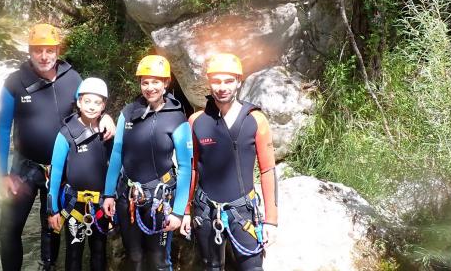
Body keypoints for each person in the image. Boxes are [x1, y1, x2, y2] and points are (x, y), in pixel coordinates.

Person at [0, 23, 115, 271]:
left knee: (52, 227)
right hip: (25, 168)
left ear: (57, 50)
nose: (44, 56)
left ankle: (47, 267)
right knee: (8, 229)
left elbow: (90, 105)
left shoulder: (71, 78)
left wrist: (107, 117)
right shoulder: (15, 82)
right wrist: (2, 173)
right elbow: (3, 128)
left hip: (61, 170)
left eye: (49, 50)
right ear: (29, 51)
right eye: (38, 50)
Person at [180, 53, 279, 271]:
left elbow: (268, 170)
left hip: (242, 210)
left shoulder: (255, 119)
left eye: (228, 81)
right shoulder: (196, 121)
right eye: (216, 81)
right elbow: (192, 168)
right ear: (209, 83)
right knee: (210, 267)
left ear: (238, 82)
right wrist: (186, 211)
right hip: (205, 211)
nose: (222, 86)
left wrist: (271, 220)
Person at [101, 55, 193, 271]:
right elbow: (116, 153)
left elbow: (185, 166)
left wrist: (179, 211)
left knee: (160, 260)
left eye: (155, 81)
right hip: (128, 196)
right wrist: (108, 194)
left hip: (160, 199)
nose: (150, 87)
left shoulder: (177, 118)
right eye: (145, 82)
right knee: (134, 257)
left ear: (166, 83)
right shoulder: (128, 113)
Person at [47, 77, 113, 271]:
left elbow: (116, 166)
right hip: (74, 203)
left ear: (103, 106)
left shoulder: (107, 132)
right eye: (87, 101)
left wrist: (114, 198)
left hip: (100, 203)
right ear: (78, 102)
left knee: (99, 252)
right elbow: (56, 172)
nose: (91, 107)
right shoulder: (66, 133)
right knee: (74, 254)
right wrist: (53, 209)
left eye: (97, 102)